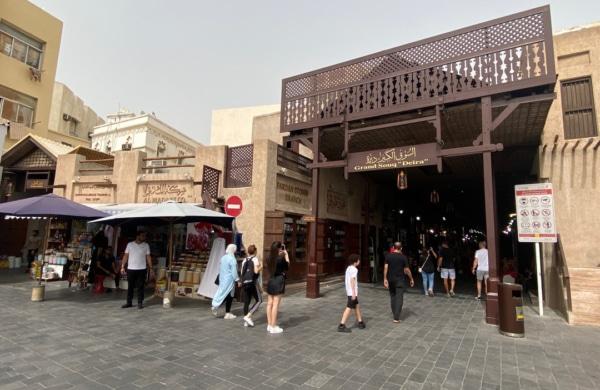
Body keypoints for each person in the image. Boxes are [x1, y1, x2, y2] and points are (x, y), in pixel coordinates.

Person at [120, 231, 154, 309]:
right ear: (137, 236)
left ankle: (140, 302)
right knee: (130, 287)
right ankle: (129, 302)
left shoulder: (146, 245)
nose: (144, 237)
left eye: (144, 236)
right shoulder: (130, 244)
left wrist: (151, 268)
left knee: (141, 287)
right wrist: (122, 266)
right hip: (131, 269)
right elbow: (126, 256)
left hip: (142, 269)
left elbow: (148, 257)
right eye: (142, 236)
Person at [383, 242, 414, 323]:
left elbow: (386, 268)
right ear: (401, 248)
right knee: (399, 298)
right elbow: (407, 270)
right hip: (400, 280)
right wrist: (411, 279)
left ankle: (394, 313)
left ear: (393, 247)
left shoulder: (388, 256)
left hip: (390, 279)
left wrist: (385, 279)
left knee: (393, 297)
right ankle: (396, 317)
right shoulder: (403, 257)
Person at [337, 254, 366, 333]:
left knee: (356, 306)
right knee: (349, 308)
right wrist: (353, 293)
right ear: (355, 262)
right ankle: (341, 325)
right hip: (352, 292)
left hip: (349, 291)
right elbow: (352, 281)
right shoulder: (354, 269)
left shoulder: (348, 268)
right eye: (358, 260)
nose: (359, 261)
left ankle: (360, 322)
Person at [265, 241, 289, 334]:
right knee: (275, 305)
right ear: (279, 249)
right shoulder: (280, 259)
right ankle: (274, 326)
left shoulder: (268, 257)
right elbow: (287, 267)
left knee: (269, 304)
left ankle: (269, 324)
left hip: (271, 280)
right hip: (279, 280)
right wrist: (286, 255)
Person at [211, 244, 240, 319]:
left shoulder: (223, 258)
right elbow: (234, 272)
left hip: (223, 279)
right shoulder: (232, 259)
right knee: (229, 296)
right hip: (229, 280)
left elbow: (220, 269)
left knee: (222, 293)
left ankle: (217, 306)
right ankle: (225, 311)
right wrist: (237, 280)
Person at [241, 244, 262, 327]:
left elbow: (242, 272)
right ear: (255, 251)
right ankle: (248, 316)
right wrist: (261, 266)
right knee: (259, 300)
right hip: (252, 283)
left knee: (246, 302)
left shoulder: (244, 260)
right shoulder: (255, 259)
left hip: (245, 283)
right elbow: (256, 272)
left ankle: (246, 321)